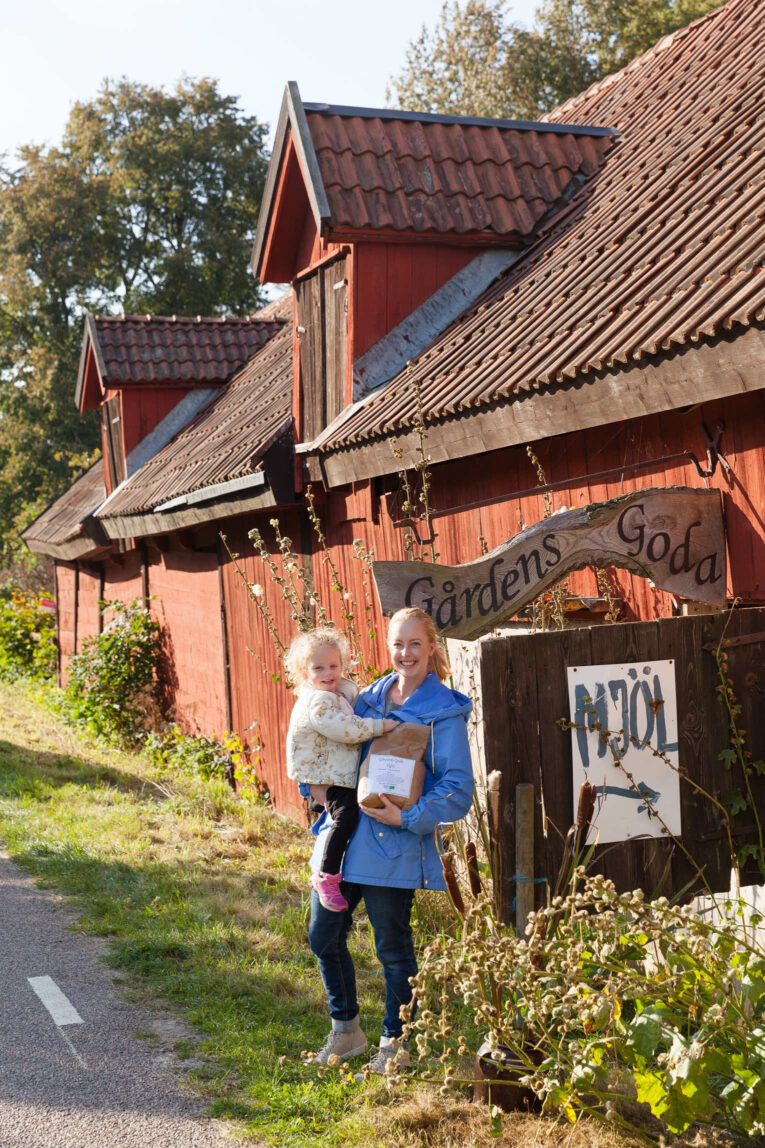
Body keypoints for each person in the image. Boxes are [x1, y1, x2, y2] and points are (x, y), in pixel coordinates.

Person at [308, 607, 474, 1075]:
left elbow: (458, 790)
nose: (405, 653)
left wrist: (410, 815)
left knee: (393, 950)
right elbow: (331, 747)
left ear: (431, 648)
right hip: (343, 840)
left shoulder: (443, 711)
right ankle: (347, 1031)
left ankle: (394, 1046)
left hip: (392, 846)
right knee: (323, 936)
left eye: (415, 644)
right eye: (398, 644)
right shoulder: (366, 699)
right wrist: (314, 789)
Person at [285, 627, 397, 912]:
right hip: (327, 775)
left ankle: (329, 871)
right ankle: (327, 876)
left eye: (334, 665)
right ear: (304, 670)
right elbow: (340, 728)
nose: (328, 672)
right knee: (346, 817)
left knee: (343, 818)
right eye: (319, 667)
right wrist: (378, 727)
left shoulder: (332, 695)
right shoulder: (320, 700)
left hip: (326, 773)